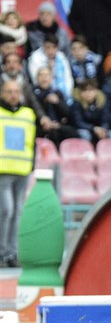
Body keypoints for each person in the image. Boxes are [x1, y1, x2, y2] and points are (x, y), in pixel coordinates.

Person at [0, 80, 36, 268]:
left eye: (16, 91)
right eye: (9, 91)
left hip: (22, 169)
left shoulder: (28, 114)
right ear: (2, 93)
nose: (13, 94)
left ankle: (12, 253)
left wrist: (32, 165)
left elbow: (32, 142)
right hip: (3, 170)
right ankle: (2, 252)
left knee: (18, 212)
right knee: (6, 211)